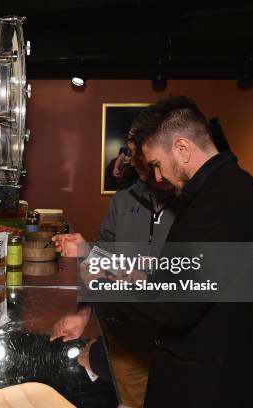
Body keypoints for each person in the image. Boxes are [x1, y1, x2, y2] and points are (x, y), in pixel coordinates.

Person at [54, 96, 253, 408]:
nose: (157, 177)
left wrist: (102, 288)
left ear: (183, 148)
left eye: (157, 164)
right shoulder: (228, 189)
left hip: (211, 385)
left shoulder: (221, 200)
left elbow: (174, 302)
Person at [52, 126, 177, 407]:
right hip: (127, 342)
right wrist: (83, 313)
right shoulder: (123, 201)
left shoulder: (192, 205)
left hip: (176, 345)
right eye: (131, 154)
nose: (132, 161)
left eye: (137, 154)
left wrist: (86, 250)